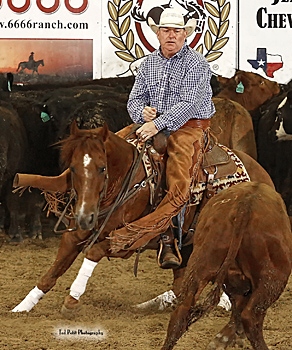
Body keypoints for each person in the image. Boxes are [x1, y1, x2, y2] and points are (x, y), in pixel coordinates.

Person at [110, 7, 215, 268]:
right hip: (154, 124)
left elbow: (190, 103)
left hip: (189, 127)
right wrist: (141, 112)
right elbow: (134, 100)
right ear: (157, 34)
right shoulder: (148, 64)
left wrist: (156, 124)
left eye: (176, 31)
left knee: (179, 176)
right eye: (166, 30)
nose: (171, 35)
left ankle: (172, 240)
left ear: (185, 35)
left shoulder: (197, 64)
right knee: (111, 148)